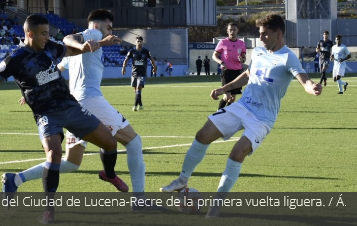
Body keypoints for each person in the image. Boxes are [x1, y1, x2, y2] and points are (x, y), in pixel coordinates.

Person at [0, 14, 126, 224]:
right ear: (30, 34)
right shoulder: (15, 59)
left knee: (110, 143)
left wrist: (100, 43)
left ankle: (109, 174)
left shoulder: (49, 47)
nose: (48, 37)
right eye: (44, 33)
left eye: (49, 32)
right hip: (46, 114)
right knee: (54, 154)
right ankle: (49, 210)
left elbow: (75, 49)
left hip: (71, 107)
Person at [159, 14, 322, 218]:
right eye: (259, 34)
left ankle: (215, 207)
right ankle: (182, 180)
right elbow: (246, 76)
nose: (260, 38)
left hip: (262, 118)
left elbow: (304, 80)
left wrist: (312, 88)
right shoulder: (260, 52)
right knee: (203, 134)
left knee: (237, 153)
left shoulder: (288, 57)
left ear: (278, 34)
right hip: (243, 106)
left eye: (264, 34)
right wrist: (223, 89)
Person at [12, 10, 165, 211]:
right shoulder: (92, 34)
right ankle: (140, 200)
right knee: (134, 142)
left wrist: (32, 90)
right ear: (96, 26)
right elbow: (69, 38)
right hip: (90, 100)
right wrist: (89, 41)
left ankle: (16, 179)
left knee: (71, 162)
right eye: (108, 27)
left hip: (73, 106)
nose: (110, 32)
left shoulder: (74, 50)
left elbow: (55, 70)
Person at [213, 22, 247, 110]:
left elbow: (244, 58)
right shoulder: (223, 42)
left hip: (237, 72)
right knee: (227, 96)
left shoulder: (241, 43)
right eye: (230, 30)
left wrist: (242, 60)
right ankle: (218, 113)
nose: (232, 32)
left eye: (234, 30)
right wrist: (221, 62)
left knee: (232, 98)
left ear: (237, 31)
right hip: (227, 72)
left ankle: (226, 114)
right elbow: (214, 56)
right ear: (227, 31)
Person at [122, 36, 157, 111]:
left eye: (140, 41)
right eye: (138, 41)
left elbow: (151, 59)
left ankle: (135, 106)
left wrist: (154, 67)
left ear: (142, 42)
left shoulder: (146, 51)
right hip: (134, 73)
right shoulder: (132, 51)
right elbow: (126, 59)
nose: (139, 42)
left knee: (138, 87)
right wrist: (123, 68)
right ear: (135, 42)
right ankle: (140, 105)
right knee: (136, 90)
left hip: (142, 73)